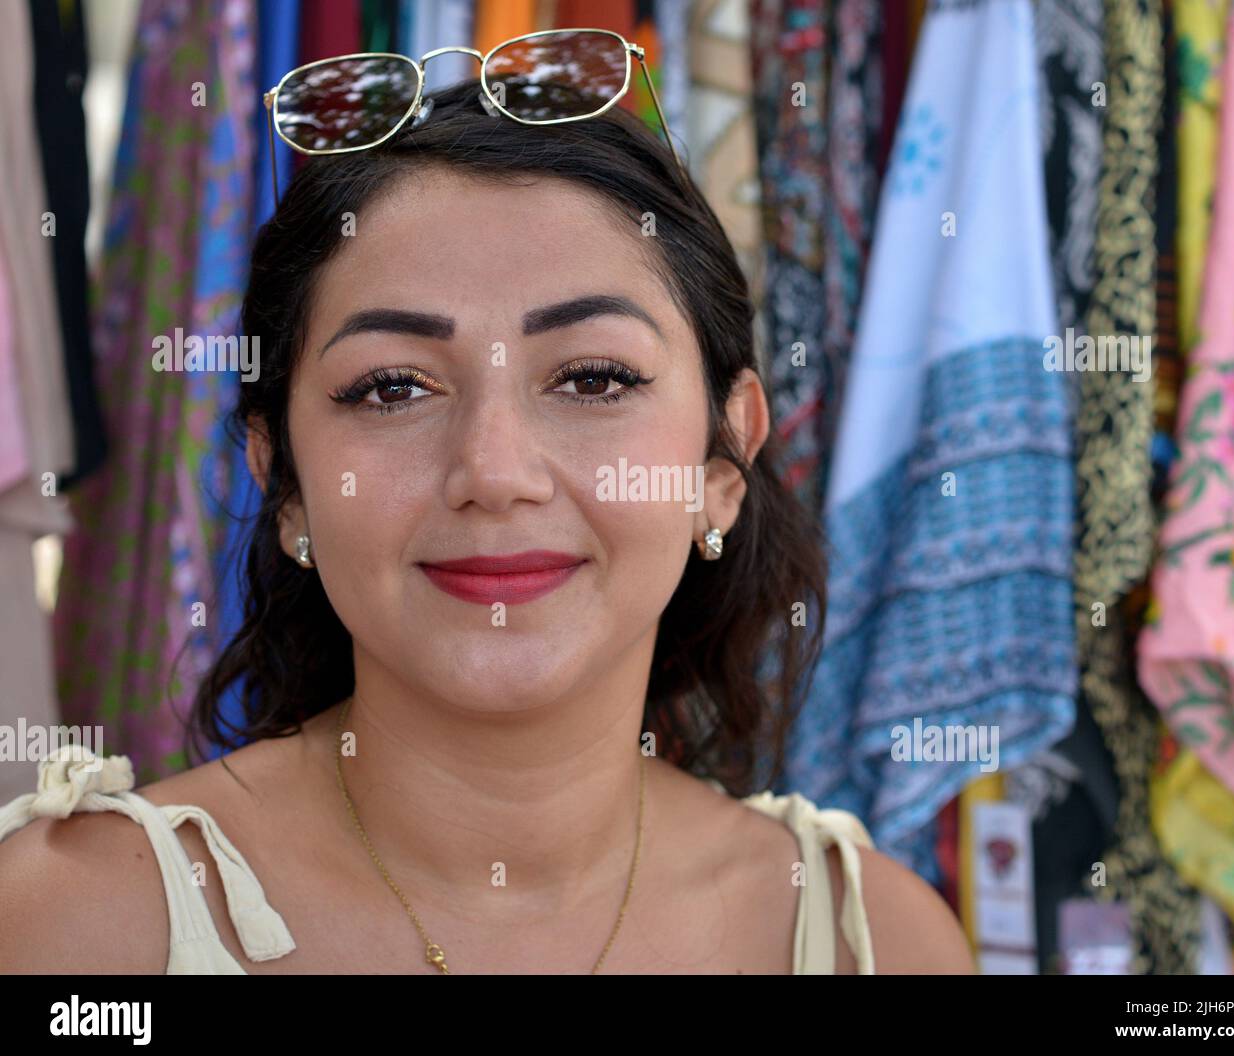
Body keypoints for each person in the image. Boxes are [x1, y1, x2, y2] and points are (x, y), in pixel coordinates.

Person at [0, 80, 972, 975]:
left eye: (594, 379)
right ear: (283, 481)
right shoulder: (75, 924)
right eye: (391, 387)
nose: (494, 474)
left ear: (722, 467)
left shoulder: (872, 943)